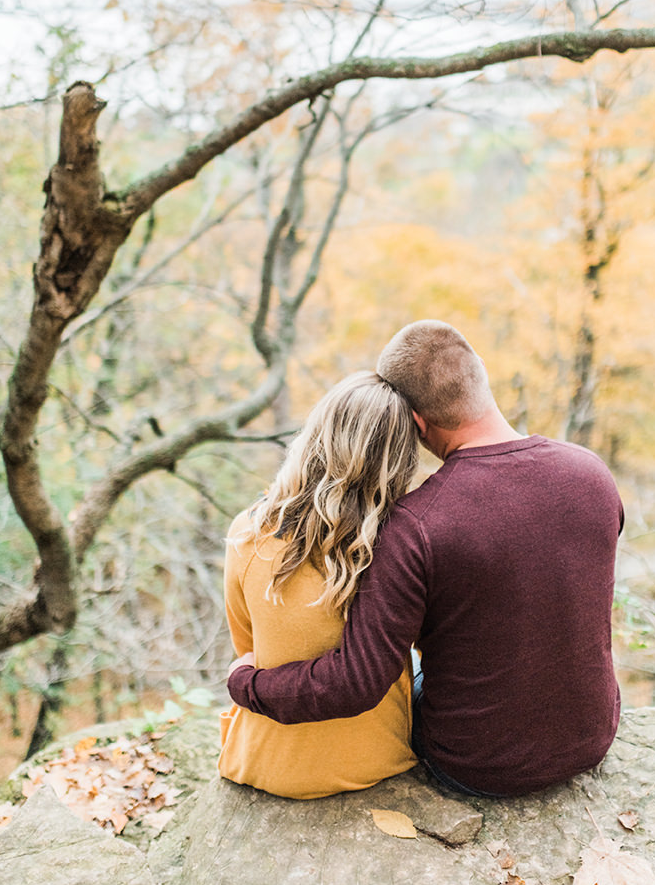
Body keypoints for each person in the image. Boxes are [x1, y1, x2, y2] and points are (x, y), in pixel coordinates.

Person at [227, 320, 624, 798]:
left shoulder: (416, 525)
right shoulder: (592, 473)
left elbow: (354, 682)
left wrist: (246, 682)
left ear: (414, 424)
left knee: (403, 677)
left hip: (476, 763)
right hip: (591, 737)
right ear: (480, 377)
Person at [219, 370, 419, 798]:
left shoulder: (247, 533)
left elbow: (248, 650)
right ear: (400, 461)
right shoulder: (402, 548)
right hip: (372, 759)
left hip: (264, 762)